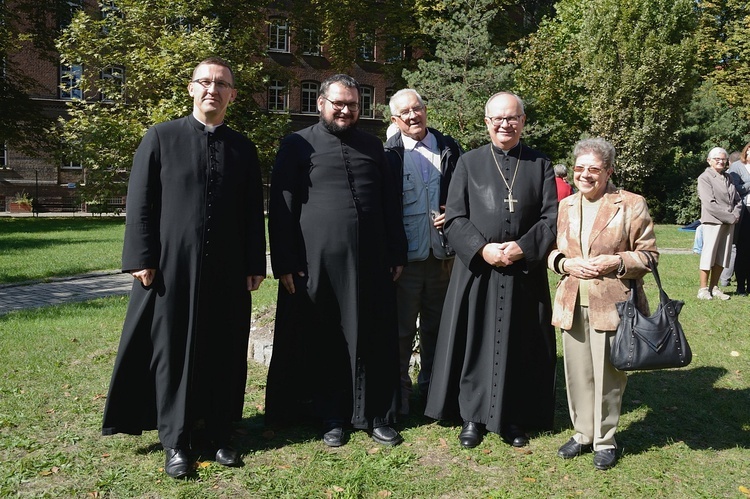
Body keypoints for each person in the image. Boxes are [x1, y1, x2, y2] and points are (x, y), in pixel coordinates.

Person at [101, 57, 267, 478]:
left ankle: (218, 433)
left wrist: (254, 263)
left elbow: (252, 211)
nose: (213, 89)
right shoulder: (160, 137)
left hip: (228, 270)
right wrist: (141, 257)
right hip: (170, 269)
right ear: (191, 89)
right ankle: (175, 441)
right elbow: (140, 201)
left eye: (222, 83)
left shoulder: (243, 148)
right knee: (172, 352)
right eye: (205, 82)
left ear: (232, 94)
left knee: (224, 350)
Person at [265, 74, 407, 447]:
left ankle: (377, 414)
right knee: (327, 338)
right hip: (318, 265)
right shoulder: (297, 144)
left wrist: (396, 251)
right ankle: (330, 415)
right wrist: (284, 262)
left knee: (374, 335)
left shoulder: (374, 146)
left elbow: (390, 203)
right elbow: (281, 209)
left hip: (373, 262)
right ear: (321, 104)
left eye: (353, 105)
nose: (346, 110)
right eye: (338, 104)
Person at [424, 91, 558, 449]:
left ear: (523, 121)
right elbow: (454, 217)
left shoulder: (540, 164)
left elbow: (551, 217)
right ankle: (472, 416)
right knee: (475, 342)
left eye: (512, 118)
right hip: (479, 272)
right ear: (487, 122)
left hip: (523, 274)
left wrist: (521, 248)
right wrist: (483, 249)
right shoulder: (469, 163)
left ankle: (514, 417)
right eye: (498, 118)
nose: (505, 124)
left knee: (520, 345)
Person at [548, 137, 658, 471]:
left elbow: (649, 255)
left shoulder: (630, 204)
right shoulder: (566, 204)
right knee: (577, 373)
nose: (584, 175)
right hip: (572, 300)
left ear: (608, 171)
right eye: (579, 168)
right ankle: (581, 433)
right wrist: (564, 265)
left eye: (593, 169)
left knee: (609, 376)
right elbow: (554, 252)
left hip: (613, 303)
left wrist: (616, 262)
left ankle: (605, 440)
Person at [384, 89, 462, 415]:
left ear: (425, 110)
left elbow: (466, 195)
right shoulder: (388, 154)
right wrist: (391, 256)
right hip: (406, 264)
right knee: (401, 333)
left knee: (438, 331)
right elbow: (382, 210)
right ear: (395, 120)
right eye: (405, 113)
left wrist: (455, 214)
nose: (413, 116)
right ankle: (399, 400)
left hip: (444, 260)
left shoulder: (449, 149)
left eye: (417, 109)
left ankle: (435, 397)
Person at [696, 147, 741, 300]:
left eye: (723, 159)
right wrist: (729, 217)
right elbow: (709, 203)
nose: (721, 161)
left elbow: (737, 200)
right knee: (709, 255)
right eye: (717, 159)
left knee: (722, 256)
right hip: (713, 222)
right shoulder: (705, 178)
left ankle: (714, 287)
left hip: (729, 223)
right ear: (709, 161)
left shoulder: (729, 177)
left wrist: (736, 214)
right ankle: (703, 289)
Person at [727, 143, 750, 295]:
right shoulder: (737, 166)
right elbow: (735, 189)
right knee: (743, 250)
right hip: (746, 211)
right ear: (746, 151)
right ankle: (740, 286)